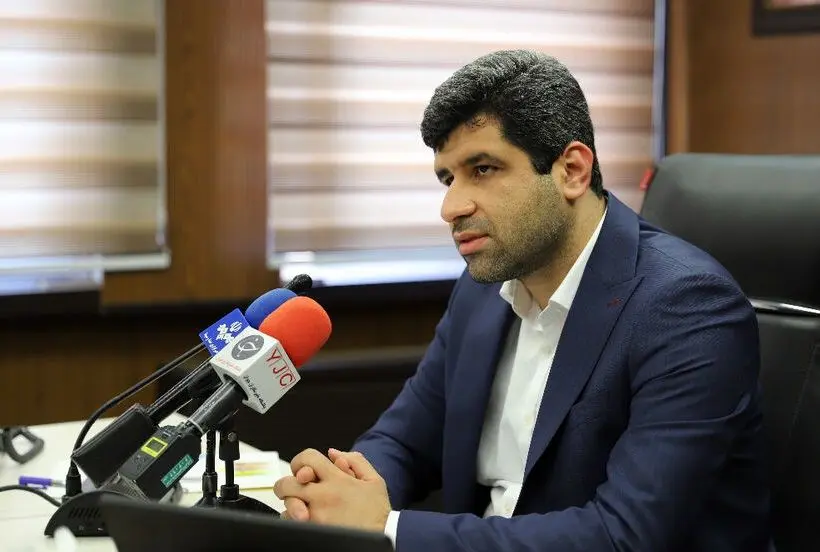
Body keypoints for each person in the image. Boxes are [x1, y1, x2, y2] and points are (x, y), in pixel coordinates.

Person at [273, 49, 770, 552]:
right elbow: (404, 440)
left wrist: (386, 528)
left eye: (483, 169)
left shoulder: (687, 307)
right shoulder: (483, 287)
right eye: (447, 178)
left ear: (571, 170)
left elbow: (623, 536)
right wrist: (340, 493)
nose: (451, 207)